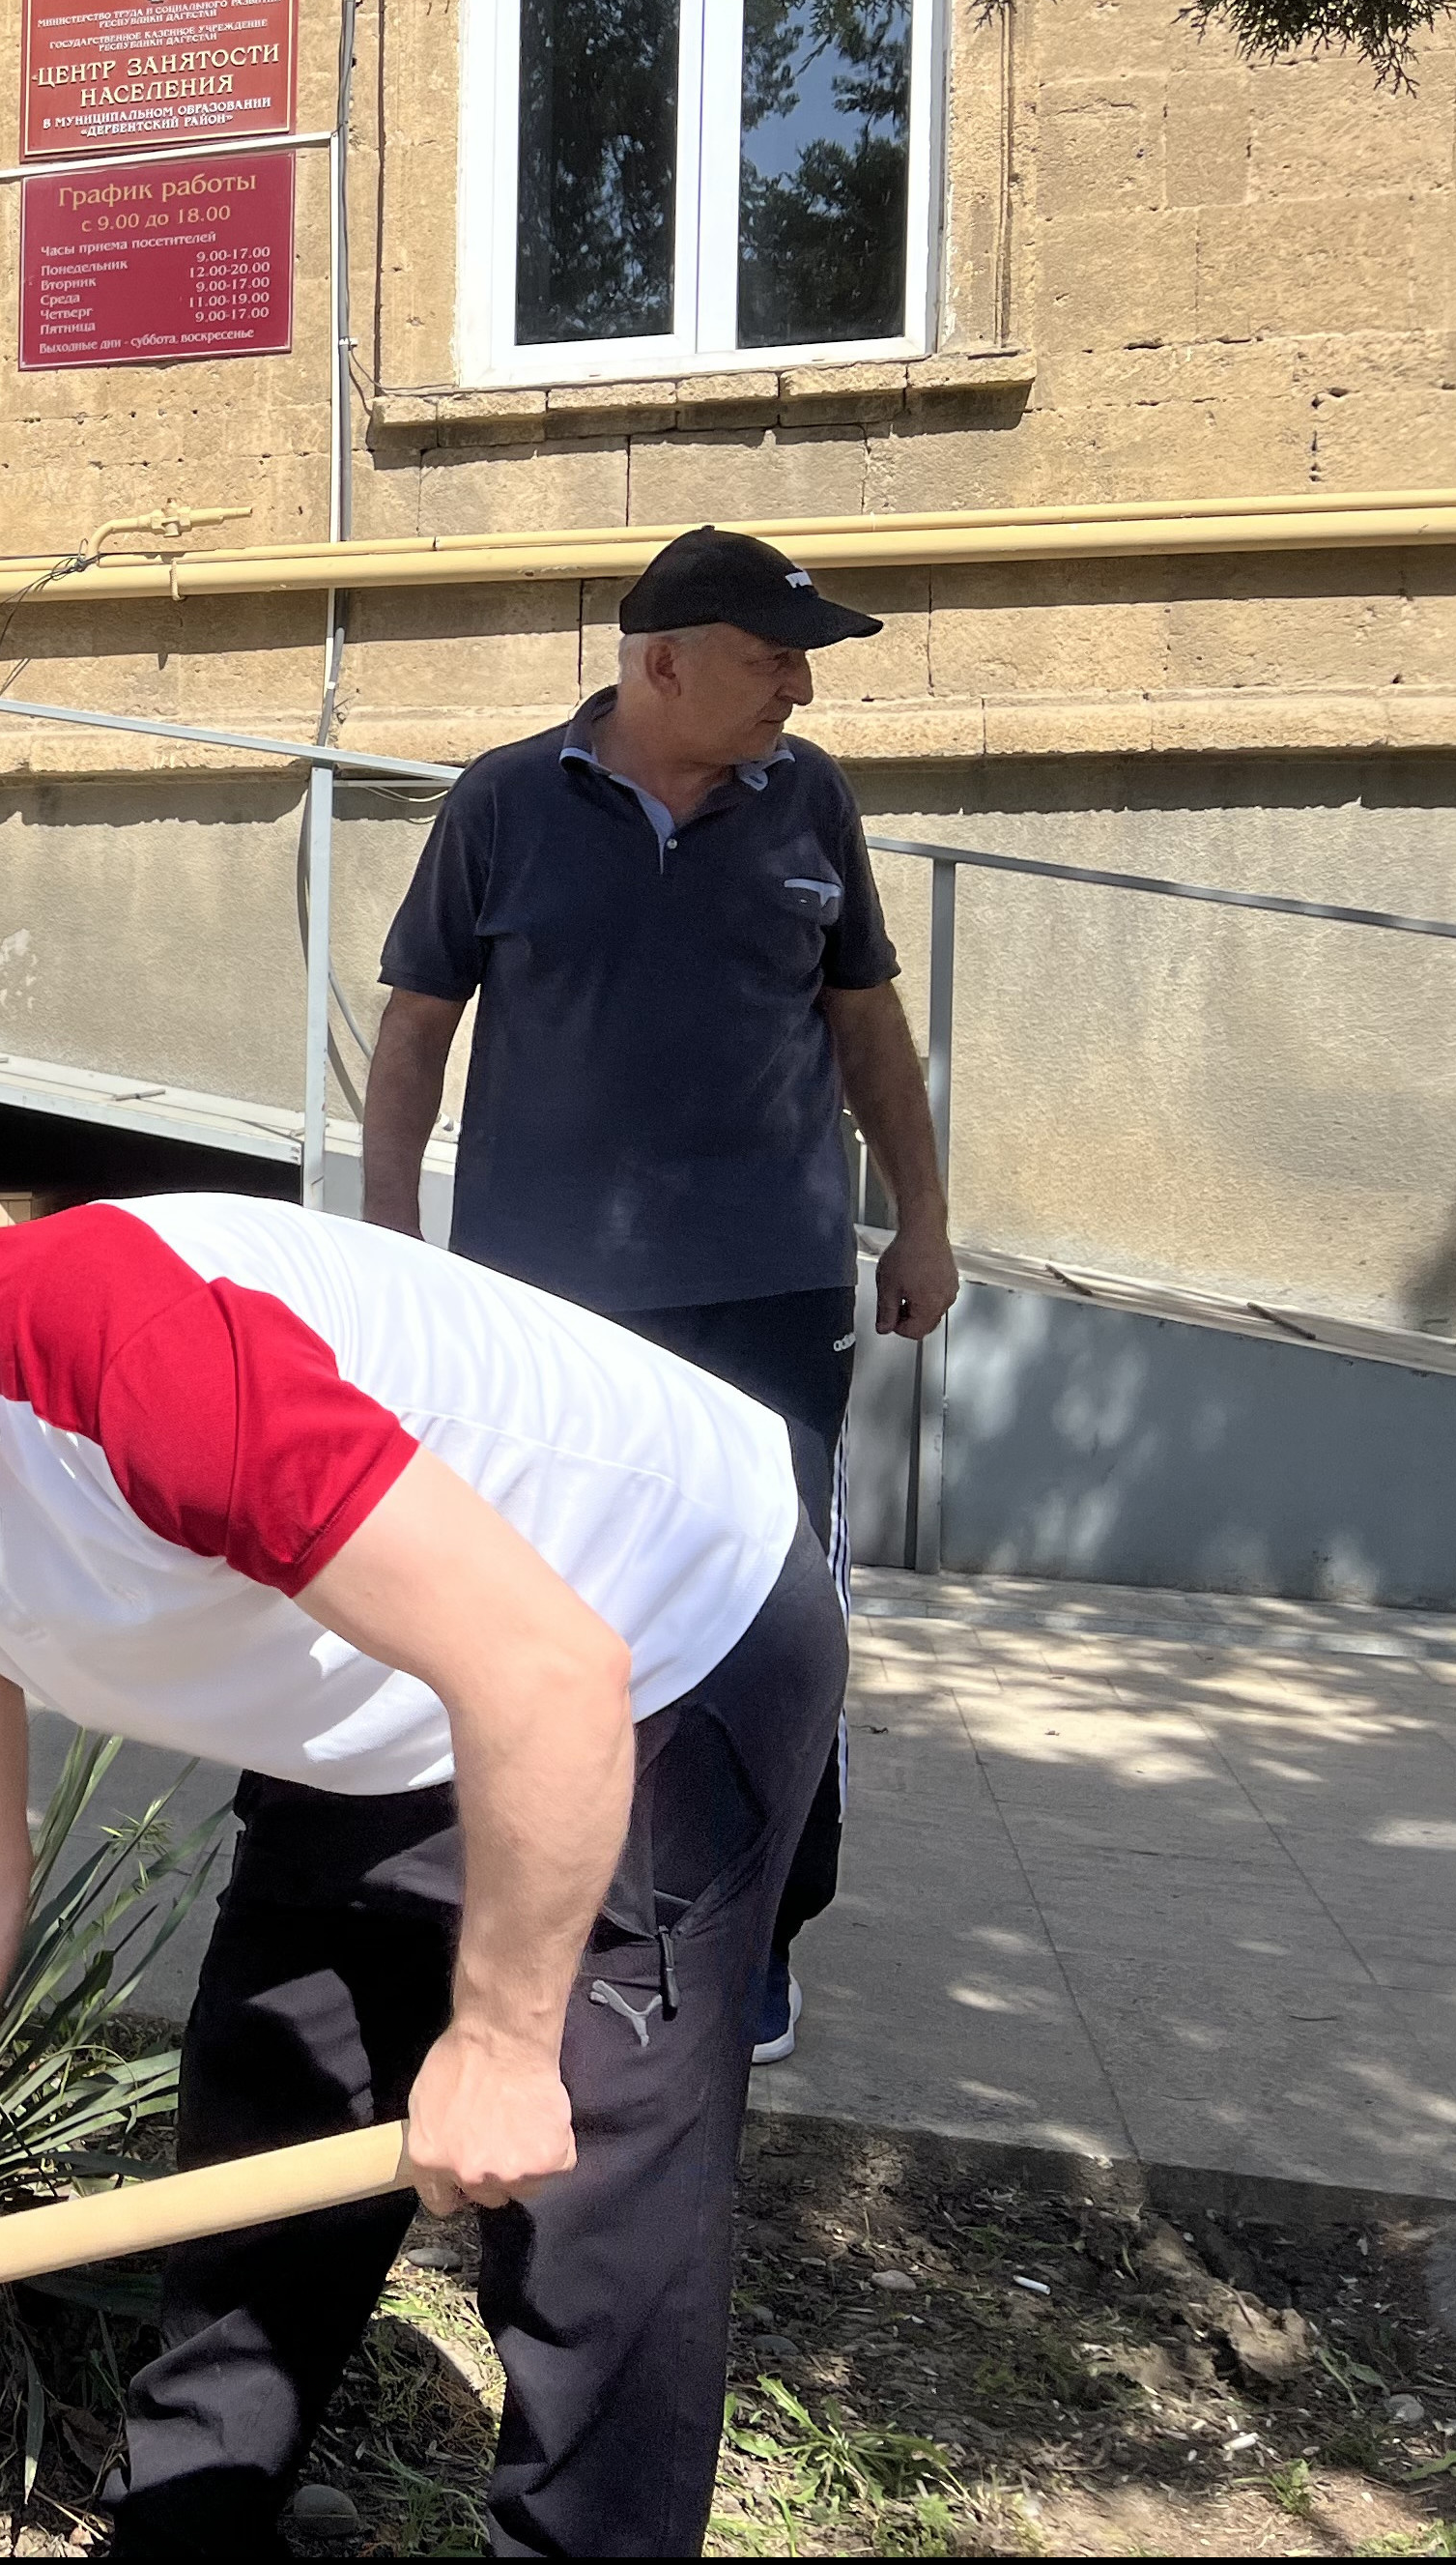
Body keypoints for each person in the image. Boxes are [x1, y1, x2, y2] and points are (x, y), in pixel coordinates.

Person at [0, 1181, 844, 2556]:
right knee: (276, 2104)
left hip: (657, 1639)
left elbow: (547, 1668)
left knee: (587, 2217)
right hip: (387, 1683)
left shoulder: (120, 1353)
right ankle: (186, 2531)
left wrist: (507, 2044)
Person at [358, 523, 956, 2068]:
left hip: (767, 1292)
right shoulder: (501, 804)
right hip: (539, 1304)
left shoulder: (811, 800)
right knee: (533, 1613)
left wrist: (924, 1224)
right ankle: (523, 1934)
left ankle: (752, 1940)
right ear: (663, 660)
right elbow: (415, 1042)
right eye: (775, 657)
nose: (802, 690)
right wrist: (385, 1254)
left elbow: (871, 1035)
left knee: (774, 1619)